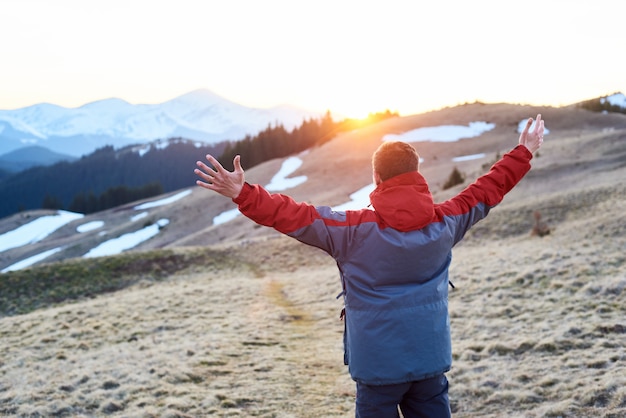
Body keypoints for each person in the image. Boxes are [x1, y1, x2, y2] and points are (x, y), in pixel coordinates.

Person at [194, 114, 545, 418]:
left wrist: (244, 193)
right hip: (430, 363)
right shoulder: (447, 222)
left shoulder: (352, 231)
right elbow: (487, 189)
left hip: (377, 372)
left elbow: (294, 215)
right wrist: (524, 152)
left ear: (377, 178)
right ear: (416, 174)